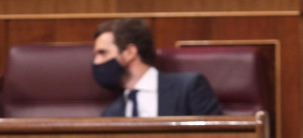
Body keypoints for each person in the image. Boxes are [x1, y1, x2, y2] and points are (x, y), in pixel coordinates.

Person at [92, 18, 222, 117]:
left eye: (102, 53)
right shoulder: (110, 114)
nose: (96, 62)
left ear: (130, 52)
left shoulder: (189, 87)